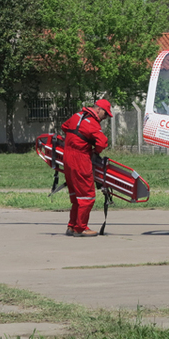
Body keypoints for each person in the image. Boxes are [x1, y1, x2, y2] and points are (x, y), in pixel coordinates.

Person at [61, 99, 112, 237]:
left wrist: (74, 139)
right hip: (80, 159)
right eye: (105, 114)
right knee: (87, 195)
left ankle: (72, 226)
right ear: (98, 109)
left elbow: (64, 127)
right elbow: (103, 142)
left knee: (76, 196)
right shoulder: (93, 123)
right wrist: (95, 151)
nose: (105, 117)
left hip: (67, 157)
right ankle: (80, 228)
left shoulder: (76, 116)